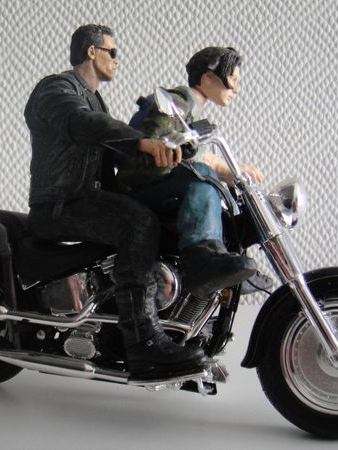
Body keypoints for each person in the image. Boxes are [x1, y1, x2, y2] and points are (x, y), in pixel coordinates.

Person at [24, 24, 205, 382]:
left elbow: (113, 148)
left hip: (83, 200)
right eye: (113, 52)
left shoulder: (95, 100)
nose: (118, 60)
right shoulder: (56, 89)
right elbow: (85, 123)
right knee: (138, 223)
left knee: (157, 212)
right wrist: (140, 142)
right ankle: (142, 341)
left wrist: (165, 151)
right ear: (92, 52)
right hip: (60, 204)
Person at [117, 47, 266, 298]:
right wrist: (222, 167)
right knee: (203, 177)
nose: (237, 89)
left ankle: (229, 257)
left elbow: (198, 151)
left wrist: (230, 171)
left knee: (219, 191)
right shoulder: (180, 99)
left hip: (157, 181)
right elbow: (158, 136)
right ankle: (200, 260)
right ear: (208, 78)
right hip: (142, 183)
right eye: (233, 80)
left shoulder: (193, 108)